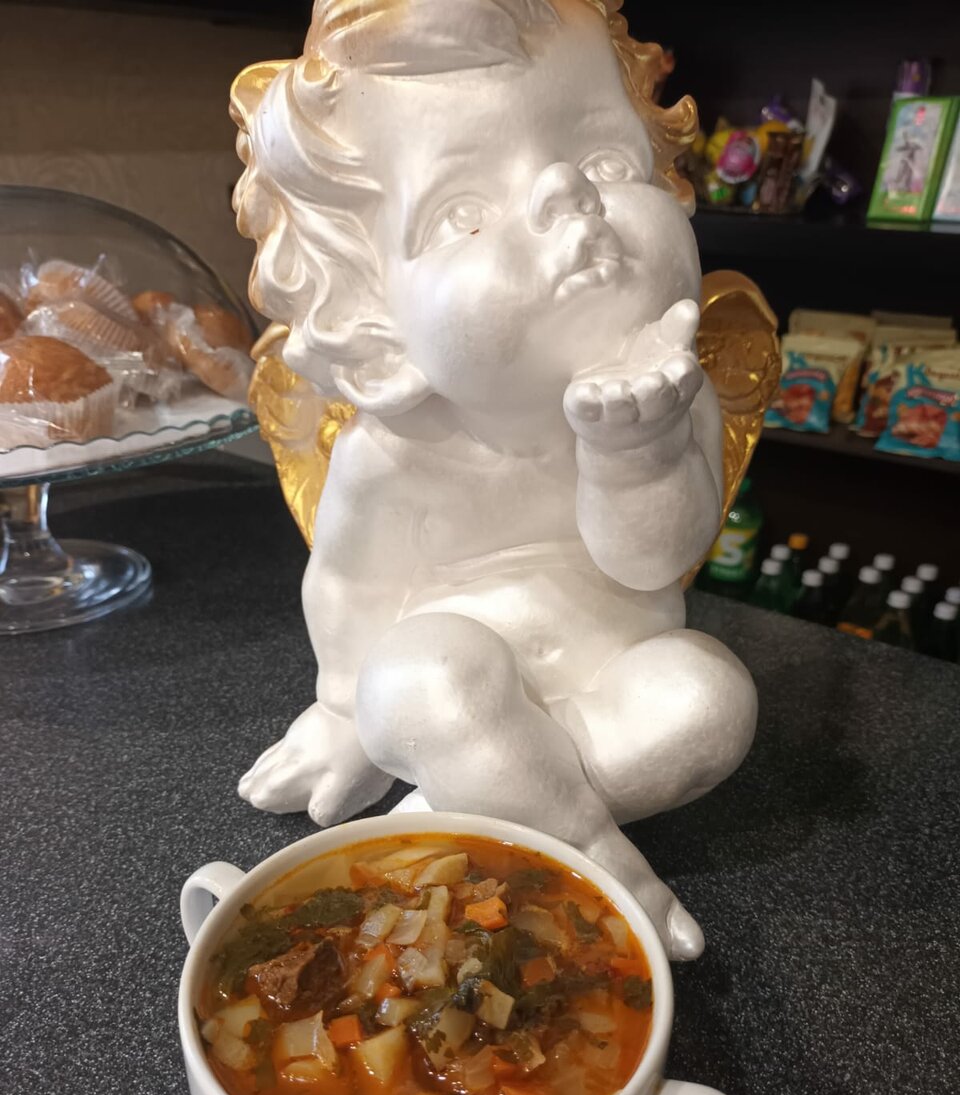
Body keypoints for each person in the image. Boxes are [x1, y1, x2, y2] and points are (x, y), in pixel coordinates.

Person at [229, 0, 758, 960]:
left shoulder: (673, 393)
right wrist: (342, 709)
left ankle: (469, 808)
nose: (568, 198)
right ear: (373, 311)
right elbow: (348, 583)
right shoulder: (394, 447)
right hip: (444, 689)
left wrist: (636, 453)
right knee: (418, 678)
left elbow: (653, 563)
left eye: (608, 163)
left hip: (614, 687)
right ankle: (603, 868)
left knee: (710, 702)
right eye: (463, 211)